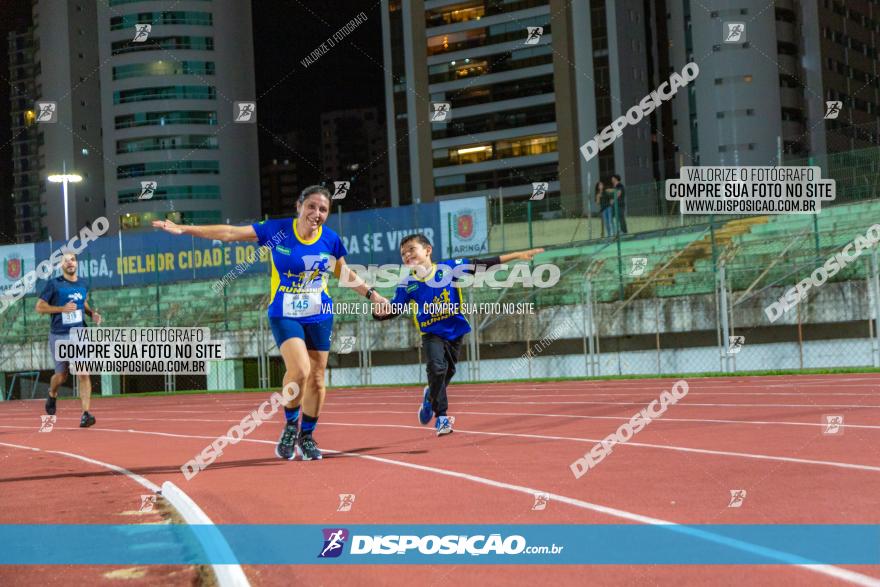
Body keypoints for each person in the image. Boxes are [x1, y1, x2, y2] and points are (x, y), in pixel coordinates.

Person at [152, 185, 383, 461]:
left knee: (318, 379)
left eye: (323, 209)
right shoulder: (278, 230)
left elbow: (343, 273)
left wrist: (373, 295)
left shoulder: (330, 240)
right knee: (300, 370)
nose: (316, 213)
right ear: (299, 206)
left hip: (319, 313)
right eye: (311, 206)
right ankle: (289, 426)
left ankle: (307, 436)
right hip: (284, 311)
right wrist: (186, 229)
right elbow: (230, 233)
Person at [373, 234, 543, 435]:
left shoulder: (449, 268)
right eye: (403, 253)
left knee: (446, 373)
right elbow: (394, 309)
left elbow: (480, 264)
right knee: (436, 368)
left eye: (411, 249)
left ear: (428, 250)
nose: (407, 255)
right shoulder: (406, 284)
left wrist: (516, 255)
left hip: (455, 332)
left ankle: (430, 397)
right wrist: (379, 313)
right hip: (431, 334)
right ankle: (442, 418)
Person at [36, 252, 102, 427]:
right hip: (59, 334)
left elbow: (83, 303)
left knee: (83, 372)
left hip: (79, 333)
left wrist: (92, 313)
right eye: (66, 261)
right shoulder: (53, 284)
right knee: (62, 375)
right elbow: (39, 307)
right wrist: (61, 309)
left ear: (77, 264)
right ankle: (52, 393)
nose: (70, 263)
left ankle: (86, 414)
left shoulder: (83, 283)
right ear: (61, 266)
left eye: (72, 259)